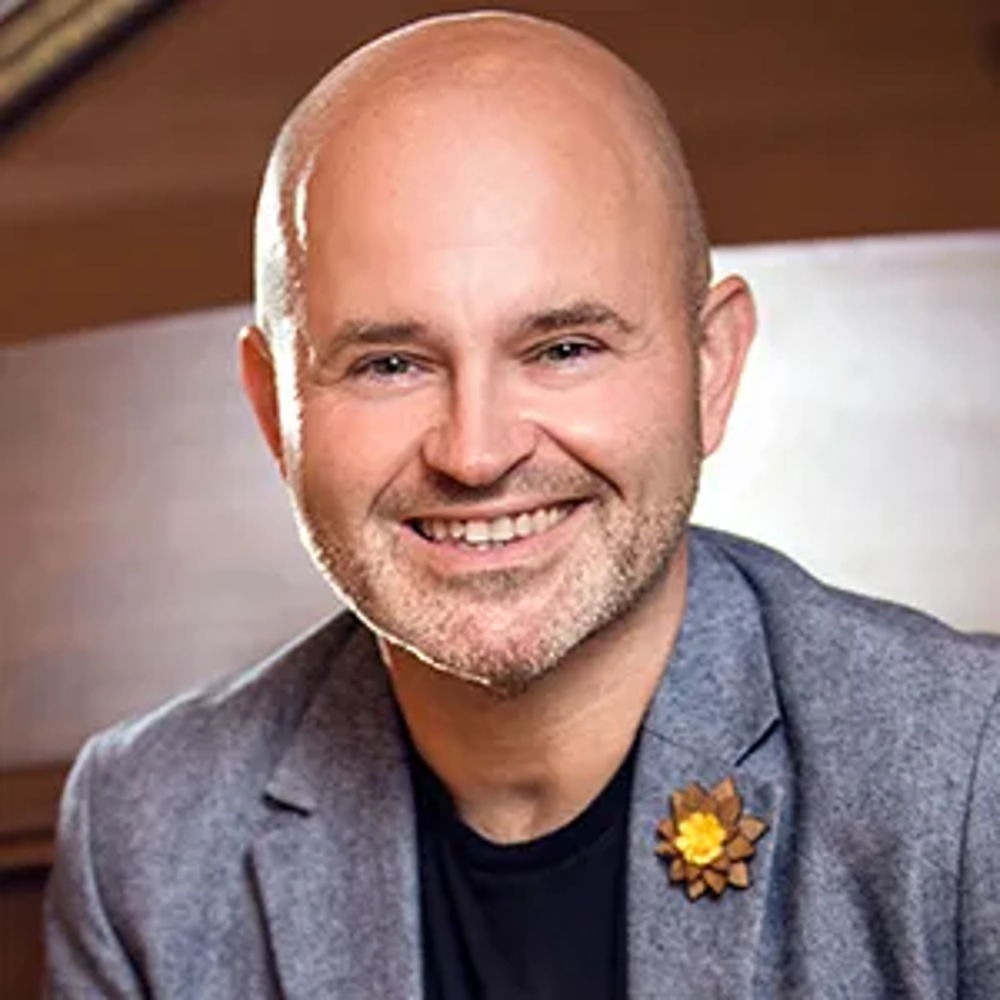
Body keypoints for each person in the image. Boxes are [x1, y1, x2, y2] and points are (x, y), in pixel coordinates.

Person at [45, 11, 999, 999]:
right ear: (271, 408)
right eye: (389, 363)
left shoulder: (971, 778)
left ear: (710, 367)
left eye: (563, 349)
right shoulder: (148, 840)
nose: (476, 452)